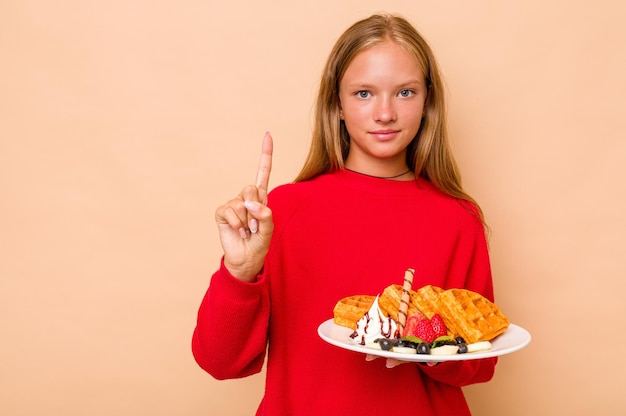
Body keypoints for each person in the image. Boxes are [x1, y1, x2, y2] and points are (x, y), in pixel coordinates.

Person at [192, 12, 497, 415]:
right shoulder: (281, 211)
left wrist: (428, 349)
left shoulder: (458, 217)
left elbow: (480, 363)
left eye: (405, 93)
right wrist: (240, 272)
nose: (384, 113)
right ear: (336, 104)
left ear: (427, 103)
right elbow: (219, 362)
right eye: (364, 93)